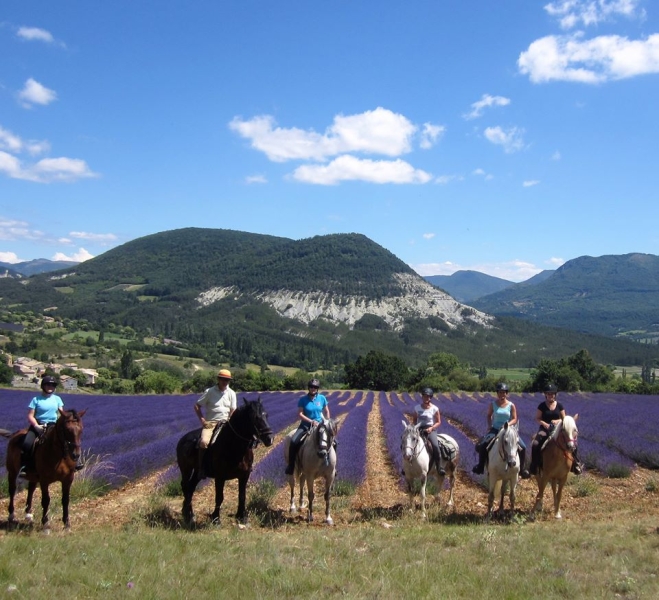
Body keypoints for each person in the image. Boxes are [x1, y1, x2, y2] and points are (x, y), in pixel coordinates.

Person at [18, 375, 84, 477]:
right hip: (38, 424)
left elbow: (62, 414)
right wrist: (35, 426)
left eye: (52, 385)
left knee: (70, 440)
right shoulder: (36, 399)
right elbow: (30, 415)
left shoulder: (57, 399)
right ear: (43, 386)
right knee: (27, 443)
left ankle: (74, 463)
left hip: (53, 425)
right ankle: (24, 467)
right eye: (48, 384)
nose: (50, 387)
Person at [472, 382, 530, 478]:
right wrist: (490, 425)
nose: (501, 395)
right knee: (483, 445)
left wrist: (508, 424)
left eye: (503, 393)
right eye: (500, 392)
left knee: (522, 447)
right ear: (497, 393)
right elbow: (488, 415)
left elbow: (515, 418)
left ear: (506, 394)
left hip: (508, 430)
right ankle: (480, 466)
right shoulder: (493, 404)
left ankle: (522, 469)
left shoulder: (511, 405)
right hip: (495, 429)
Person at [529, 383, 582, 475]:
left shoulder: (559, 406)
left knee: (573, 444)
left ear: (555, 395)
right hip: (544, 430)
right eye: (548, 394)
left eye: (552, 394)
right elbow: (537, 418)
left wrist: (557, 421)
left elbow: (564, 419)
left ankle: (575, 464)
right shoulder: (541, 406)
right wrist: (544, 424)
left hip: (558, 429)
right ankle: (534, 465)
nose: (550, 396)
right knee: (535, 444)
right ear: (546, 395)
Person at [194, 368, 237, 478]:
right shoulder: (209, 392)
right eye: (223, 379)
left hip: (226, 423)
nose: (225, 382)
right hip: (211, 423)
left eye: (227, 380)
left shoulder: (232, 393)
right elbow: (197, 406)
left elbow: (233, 410)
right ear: (218, 379)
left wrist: (230, 420)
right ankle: (201, 468)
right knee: (204, 442)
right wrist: (202, 420)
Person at [285, 378, 330, 475]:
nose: (313, 388)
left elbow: (326, 411)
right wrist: (311, 421)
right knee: (293, 442)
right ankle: (291, 466)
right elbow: (300, 414)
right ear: (308, 388)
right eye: (311, 387)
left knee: (334, 442)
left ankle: (331, 467)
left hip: (320, 425)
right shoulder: (303, 400)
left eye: (315, 387)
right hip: (305, 425)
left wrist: (327, 421)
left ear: (317, 388)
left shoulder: (322, 398)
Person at [411, 387, 445, 476]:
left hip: (430, 430)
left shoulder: (435, 408)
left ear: (431, 397)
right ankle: (407, 467)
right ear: (422, 397)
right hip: (419, 429)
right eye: (425, 396)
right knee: (408, 444)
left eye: (429, 397)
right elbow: (414, 420)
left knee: (435, 446)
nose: (427, 398)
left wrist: (431, 428)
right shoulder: (417, 408)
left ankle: (438, 466)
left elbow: (438, 422)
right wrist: (415, 428)